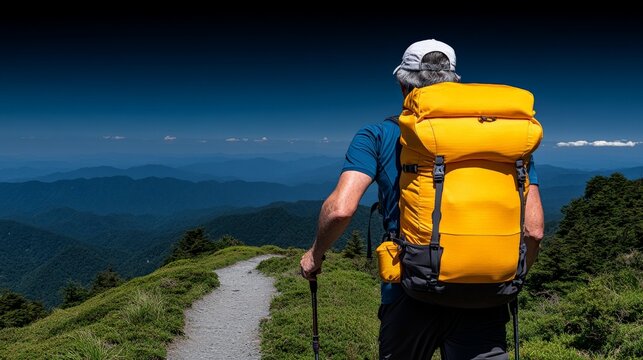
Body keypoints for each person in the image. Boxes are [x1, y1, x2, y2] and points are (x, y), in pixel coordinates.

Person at [300, 39, 545, 360]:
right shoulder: (507, 140)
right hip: (486, 294)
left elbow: (341, 209)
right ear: (454, 83)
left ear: (403, 84)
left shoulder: (377, 134)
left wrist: (315, 255)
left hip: (409, 291)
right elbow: (534, 230)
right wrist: (507, 276)